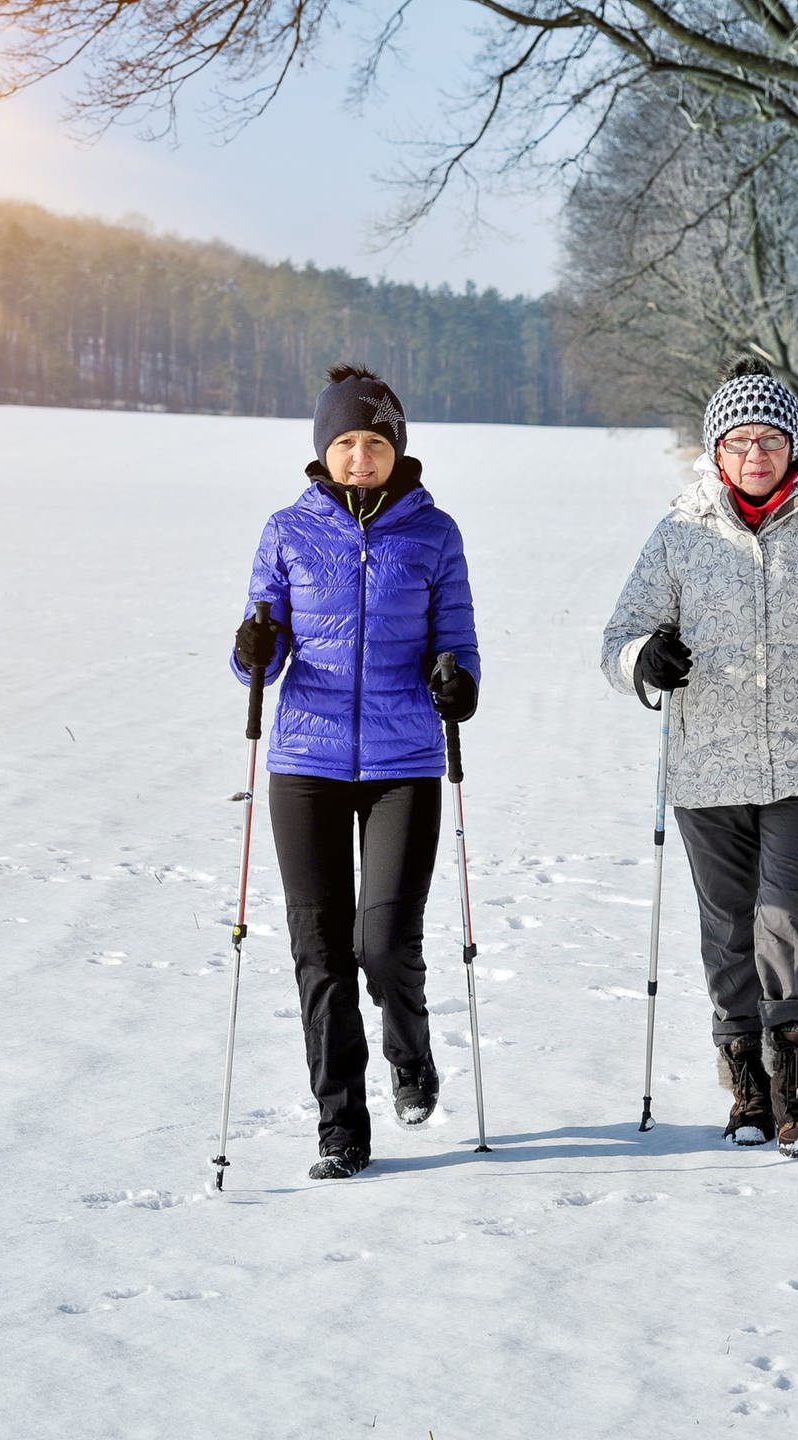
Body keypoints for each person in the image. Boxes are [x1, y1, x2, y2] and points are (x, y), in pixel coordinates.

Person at [602, 356, 798, 1158]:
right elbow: (618, 639)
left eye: (771, 438)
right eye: (740, 441)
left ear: (793, 449)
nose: (756, 454)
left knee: (787, 914)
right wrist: (645, 661)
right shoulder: (677, 538)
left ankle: (797, 1094)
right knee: (729, 928)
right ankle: (749, 1087)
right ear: (716, 453)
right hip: (708, 770)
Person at [231, 363, 480, 1180]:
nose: (360, 458)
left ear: (396, 449)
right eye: (345, 443)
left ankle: (410, 1052)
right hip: (305, 759)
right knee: (321, 951)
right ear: (324, 450)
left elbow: (460, 637)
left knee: (383, 942)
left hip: (404, 760)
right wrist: (252, 652)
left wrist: (459, 681)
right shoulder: (287, 531)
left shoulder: (433, 534)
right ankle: (341, 1123)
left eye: (374, 443)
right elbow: (256, 647)